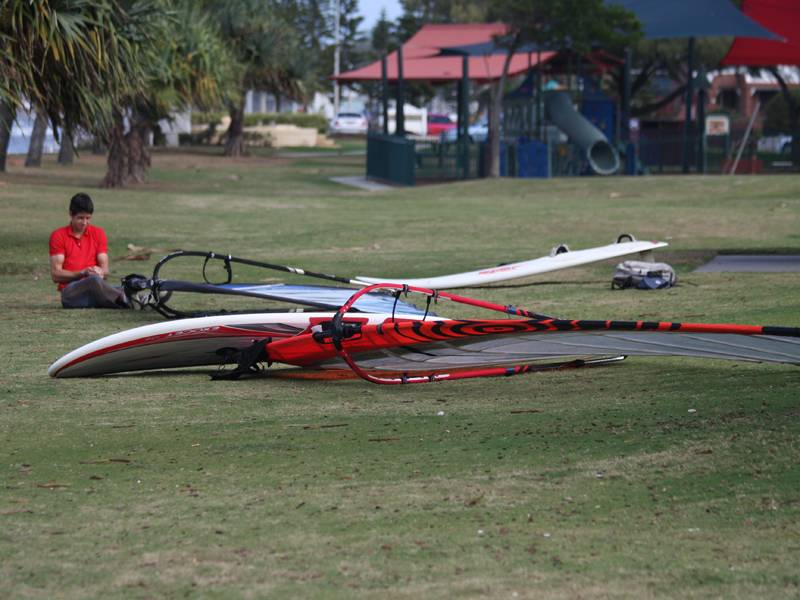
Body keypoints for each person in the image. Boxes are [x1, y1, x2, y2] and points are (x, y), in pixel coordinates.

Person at [49, 193, 128, 308]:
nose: (85, 222)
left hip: (95, 291)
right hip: (71, 294)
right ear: (71, 214)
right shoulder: (58, 236)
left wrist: (100, 271)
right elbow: (56, 275)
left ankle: (126, 299)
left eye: (88, 218)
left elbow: (105, 271)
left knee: (125, 286)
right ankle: (123, 299)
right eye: (80, 218)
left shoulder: (98, 233)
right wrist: (83, 273)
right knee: (93, 280)